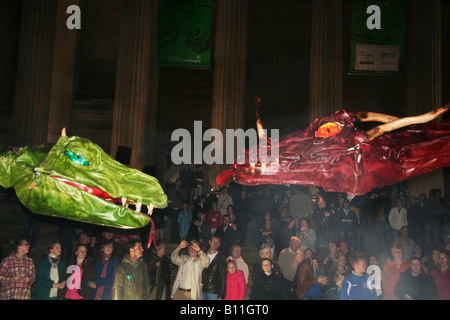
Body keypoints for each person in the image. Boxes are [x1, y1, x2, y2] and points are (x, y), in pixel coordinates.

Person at [202, 235, 227, 300]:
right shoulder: (203, 255)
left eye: (217, 242)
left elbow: (223, 277)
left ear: (219, 244)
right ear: (209, 242)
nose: (215, 244)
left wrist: (221, 296)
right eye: (213, 242)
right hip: (201, 290)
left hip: (213, 292)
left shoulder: (221, 259)